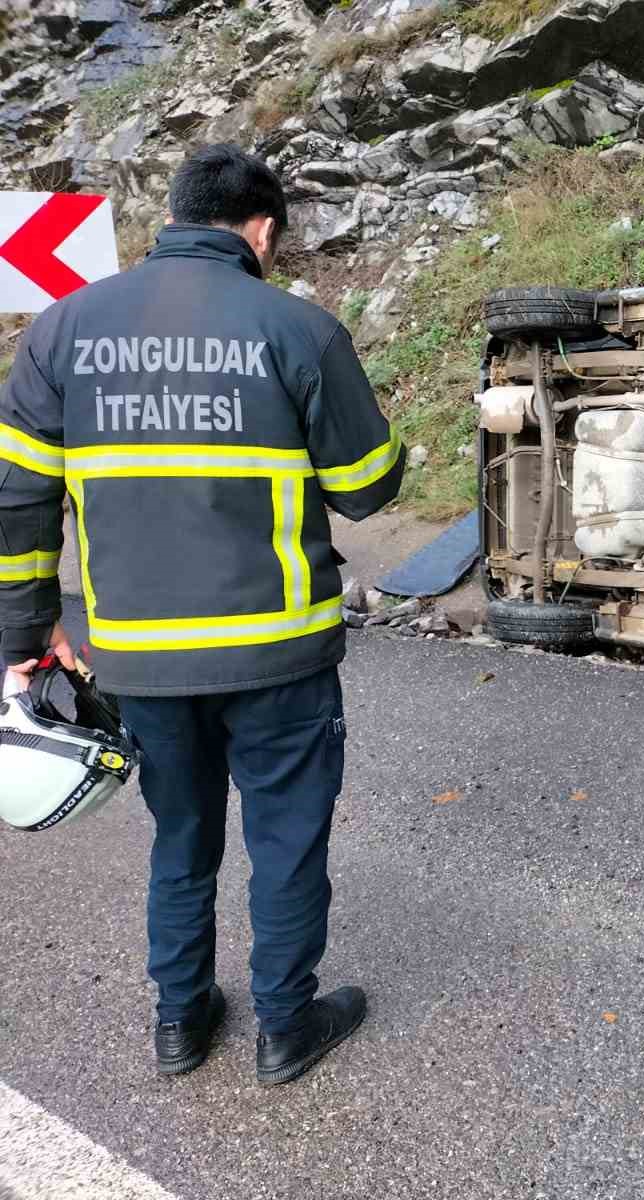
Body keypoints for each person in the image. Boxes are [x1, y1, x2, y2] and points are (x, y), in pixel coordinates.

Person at [0, 144, 404, 1085]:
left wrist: (26, 637)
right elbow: (364, 491)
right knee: (286, 840)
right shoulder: (297, 328)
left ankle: (180, 1024)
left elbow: (17, 499)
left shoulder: (60, 333)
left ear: (173, 216)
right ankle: (283, 1029)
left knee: (180, 839)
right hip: (279, 657)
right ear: (261, 229)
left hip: (138, 659)